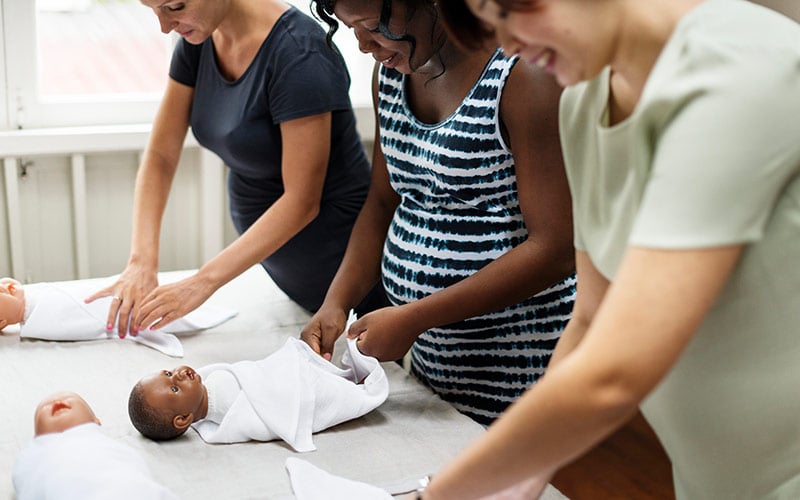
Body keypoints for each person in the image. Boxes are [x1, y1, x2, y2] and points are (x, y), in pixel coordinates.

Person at [417, 0, 800, 498]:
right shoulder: (583, 101)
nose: (507, 45)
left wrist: (438, 495)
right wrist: (526, 479)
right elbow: (591, 320)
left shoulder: (735, 64)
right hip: (714, 479)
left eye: (506, 11)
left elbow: (615, 372)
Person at [300, 0, 577, 426]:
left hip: (521, 359)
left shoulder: (523, 75)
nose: (362, 46)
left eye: (371, 26)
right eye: (349, 28)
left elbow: (556, 248)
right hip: (436, 358)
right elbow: (381, 202)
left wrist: (417, 316)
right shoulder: (392, 73)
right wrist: (337, 302)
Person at [86, 0, 388, 337]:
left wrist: (202, 282)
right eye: (153, 10)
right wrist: (141, 262)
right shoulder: (198, 40)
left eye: (174, 6)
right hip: (287, 275)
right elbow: (161, 155)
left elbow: (302, 201)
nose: (164, 26)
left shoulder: (300, 53)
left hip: (342, 268)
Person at [128, 336, 388, 452]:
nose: (179, 374)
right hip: (295, 391)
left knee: (326, 374)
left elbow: (256, 371)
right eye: (175, 388)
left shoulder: (208, 385)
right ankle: (360, 387)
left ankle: (345, 377)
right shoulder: (225, 409)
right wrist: (292, 372)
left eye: (168, 372)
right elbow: (267, 403)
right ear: (183, 419)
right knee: (332, 393)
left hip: (282, 375)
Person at [0, 275, 236, 357]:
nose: (4, 285)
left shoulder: (35, 294)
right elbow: (83, 319)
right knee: (132, 309)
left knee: (123, 291)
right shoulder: (41, 320)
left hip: (113, 289)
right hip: (113, 307)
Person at [13, 391, 177, 500]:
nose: (57, 401)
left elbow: (131, 466)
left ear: (95, 422)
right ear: (36, 436)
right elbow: (26, 480)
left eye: (72, 399)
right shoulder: (33, 454)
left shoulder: (105, 446)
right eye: (44, 408)